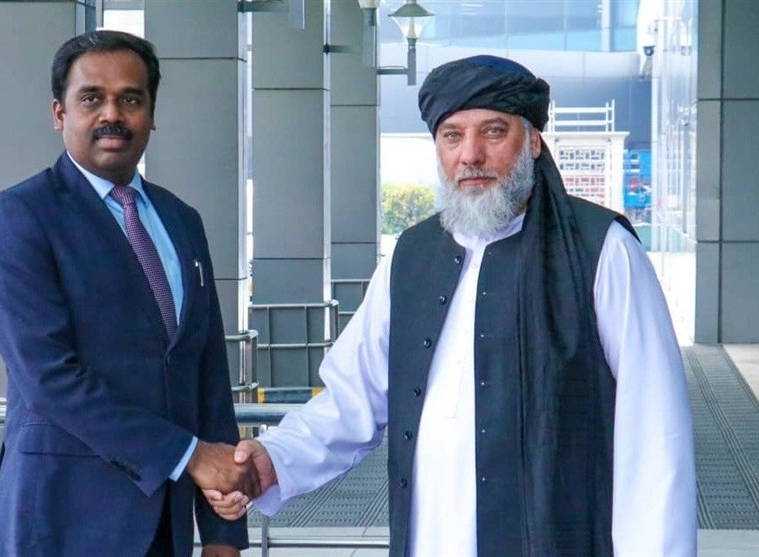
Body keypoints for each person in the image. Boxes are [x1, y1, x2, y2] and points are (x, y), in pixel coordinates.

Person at [206, 55, 697, 556]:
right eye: (452, 136)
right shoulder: (410, 256)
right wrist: (274, 460)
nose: (471, 155)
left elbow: (656, 437)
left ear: (532, 141)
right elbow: (351, 401)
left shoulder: (602, 250)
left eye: (493, 131)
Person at [0, 30, 258, 557]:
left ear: (152, 114)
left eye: (131, 98)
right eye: (91, 98)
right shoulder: (19, 216)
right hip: (59, 520)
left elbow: (207, 376)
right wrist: (191, 456)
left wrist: (224, 535)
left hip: (165, 526)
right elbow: (49, 379)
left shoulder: (182, 220)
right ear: (59, 113)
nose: (112, 114)